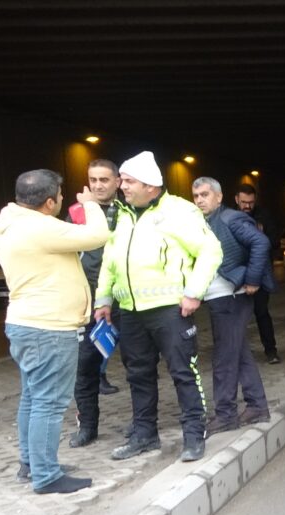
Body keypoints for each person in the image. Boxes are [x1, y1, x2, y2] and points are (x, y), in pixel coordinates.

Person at [94, 152, 223, 462]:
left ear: (151, 185)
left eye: (128, 181)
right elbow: (110, 261)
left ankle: (194, 434)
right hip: (132, 311)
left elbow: (210, 251)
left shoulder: (179, 211)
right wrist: (104, 298)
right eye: (122, 180)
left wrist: (194, 292)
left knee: (183, 372)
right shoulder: (122, 214)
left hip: (171, 309)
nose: (121, 186)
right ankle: (144, 435)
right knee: (137, 374)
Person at [0, 170, 109, 493]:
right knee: (50, 402)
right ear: (49, 202)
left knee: (32, 397)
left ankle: (30, 464)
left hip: (24, 322)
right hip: (49, 327)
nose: (63, 199)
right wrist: (90, 205)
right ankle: (46, 475)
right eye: (60, 195)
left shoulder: (7, 221)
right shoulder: (40, 227)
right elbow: (98, 235)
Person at [192, 177, 274, 434]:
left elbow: (261, 242)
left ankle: (226, 414)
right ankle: (256, 406)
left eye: (205, 194)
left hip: (232, 295)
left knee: (224, 357)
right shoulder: (205, 222)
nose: (200, 200)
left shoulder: (230, 219)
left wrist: (251, 280)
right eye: (196, 196)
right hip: (220, 297)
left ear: (219, 196)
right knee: (237, 352)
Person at [67, 159, 122, 448]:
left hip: (126, 297)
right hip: (89, 301)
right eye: (93, 179)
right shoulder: (77, 213)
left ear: (117, 182)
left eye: (104, 179)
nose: (98, 185)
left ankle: (142, 426)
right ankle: (87, 426)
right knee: (85, 367)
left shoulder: (129, 211)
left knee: (138, 364)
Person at [235, 183, 280, 364]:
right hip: (238, 275)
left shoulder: (264, 216)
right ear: (236, 200)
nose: (247, 206)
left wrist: (263, 234)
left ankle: (271, 351)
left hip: (260, 275)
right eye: (244, 202)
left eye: (251, 202)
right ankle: (237, 353)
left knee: (262, 313)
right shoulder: (230, 217)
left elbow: (274, 241)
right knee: (237, 317)